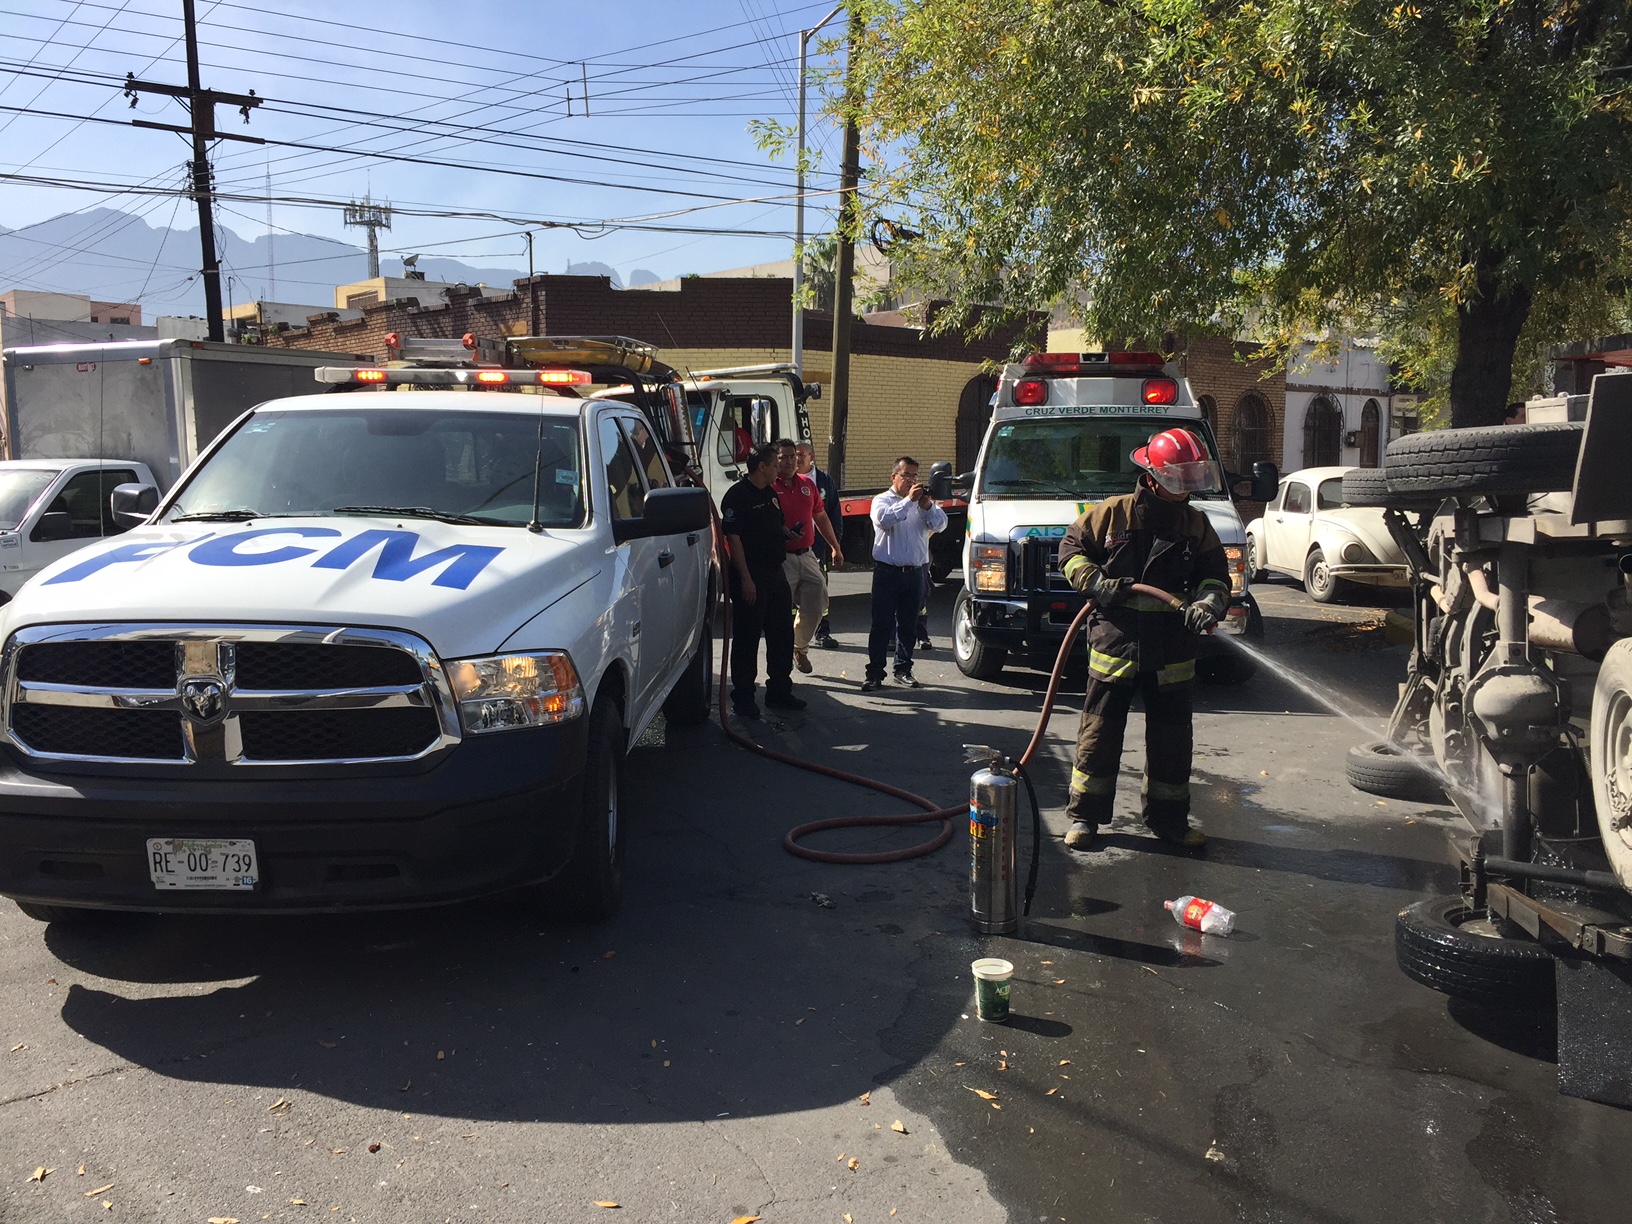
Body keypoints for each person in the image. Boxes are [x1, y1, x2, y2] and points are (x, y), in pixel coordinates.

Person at [1055, 427, 1232, 849]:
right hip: (1116, 645)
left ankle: (1169, 821)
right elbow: (1069, 550)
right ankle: (1085, 819)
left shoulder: (1197, 524)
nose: (1187, 488)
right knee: (1099, 735)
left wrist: (1209, 602)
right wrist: (1096, 582)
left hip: (1173, 651)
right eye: (1180, 479)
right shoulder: (1111, 515)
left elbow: (1217, 578)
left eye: (1192, 479)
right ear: (1152, 477)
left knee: (1172, 741)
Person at [720, 443, 801, 717]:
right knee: (747, 637)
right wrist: (745, 579)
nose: (780, 469)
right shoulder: (737, 496)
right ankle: (743, 697)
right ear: (762, 467)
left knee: (782, 634)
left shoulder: (769, 493)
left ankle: (779, 691)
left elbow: (772, 522)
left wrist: (785, 532)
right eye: (775, 465)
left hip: (775, 572)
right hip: (751, 574)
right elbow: (734, 538)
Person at [864, 456, 947, 692]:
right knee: (881, 624)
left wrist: (928, 507)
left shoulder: (922, 503)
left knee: (908, 625)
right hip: (887, 573)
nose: (911, 480)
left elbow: (941, 524)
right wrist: (909, 501)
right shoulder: (882, 500)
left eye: (914, 476)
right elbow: (884, 520)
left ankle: (903, 669)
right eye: (906, 475)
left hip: (915, 573)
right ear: (894, 477)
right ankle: (874, 673)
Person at [774, 440, 844, 675]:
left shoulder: (808, 485)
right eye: (783, 457)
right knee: (780, 612)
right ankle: (781, 668)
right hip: (780, 558)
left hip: (807, 555)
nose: (790, 461)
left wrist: (835, 547)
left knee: (818, 603)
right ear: (775, 460)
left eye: (792, 456)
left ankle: (799, 648)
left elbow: (821, 517)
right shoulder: (768, 487)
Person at [796, 442, 841, 649]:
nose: (797, 459)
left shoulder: (823, 481)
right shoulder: (785, 480)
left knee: (820, 590)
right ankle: (794, 635)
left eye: (801, 455)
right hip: (794, 548)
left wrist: (835, 545)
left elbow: (832, 515)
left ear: (811, 457)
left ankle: (822, 632)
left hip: (818, 546)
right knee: (793, 594)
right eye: (794, 455)